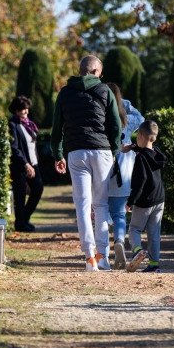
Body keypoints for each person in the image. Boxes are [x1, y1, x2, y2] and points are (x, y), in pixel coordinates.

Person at [51, 55, 122, 271]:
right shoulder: (105, 90)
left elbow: (57, 128)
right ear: (96, 72)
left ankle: (89, 257)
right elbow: (115, 124)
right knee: (101, 205)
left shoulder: (65, 92)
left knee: (82, 204)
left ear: (81, 70)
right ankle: (103, 256)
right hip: (102, 151)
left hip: (76, 152)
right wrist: (115, 150)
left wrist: (58, 155)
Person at [106, 83, 144, 270]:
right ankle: (119, 240)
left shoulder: (99, 119)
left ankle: (101, 252)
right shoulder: (126, 121)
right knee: (120, 214)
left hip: (102, 172)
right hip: (123, 175)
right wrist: (124, 104)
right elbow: (141, 118)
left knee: (102, 213)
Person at [123, 120, 167, 273]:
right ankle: (154, 265)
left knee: (134, 229)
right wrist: (132, 147)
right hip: (159, 199)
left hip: (144, 201)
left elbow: (139, 183)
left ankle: (137, 251)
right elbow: (146, 149)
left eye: (137, 137)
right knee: (154, 233)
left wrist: (130, 202)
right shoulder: (157, 154)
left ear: (140, 135)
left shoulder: (140, 158)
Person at [8, 95, 44, 232]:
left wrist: (32, 163)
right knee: (20, 195)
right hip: (20, 165)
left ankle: (24, 218)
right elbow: (14, 147)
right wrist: (25, 164)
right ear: (16, 110)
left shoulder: (27, 123)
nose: (26, 111)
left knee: (38, 189)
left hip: (33, 163)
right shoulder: (13, 124)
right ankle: (20, 224)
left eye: (27, 108)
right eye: (23, 109)